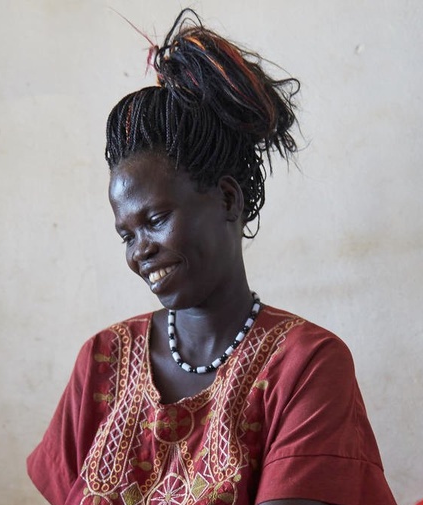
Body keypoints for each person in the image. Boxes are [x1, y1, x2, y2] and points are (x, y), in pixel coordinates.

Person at [27, 9, 397, 505]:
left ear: (226, 199)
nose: (141, 251)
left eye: (156, 220)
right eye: (126, 235)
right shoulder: (101, 362)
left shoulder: (305, 366)